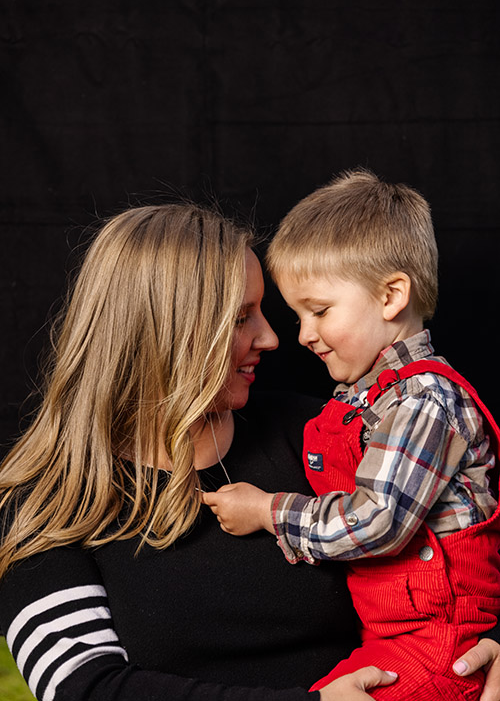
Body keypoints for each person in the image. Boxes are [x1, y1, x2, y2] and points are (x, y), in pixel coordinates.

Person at [0, 201, 405, 701]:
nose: (272, 337)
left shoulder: (323, 433)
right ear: (162, 332)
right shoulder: (49, 502)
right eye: (241, 318)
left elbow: (461, 538)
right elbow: (85, 689)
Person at [202, 170, 500, 701]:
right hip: (389, 638)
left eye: (318, 311)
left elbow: (378, 520)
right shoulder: (360, 403)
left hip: (439, 645)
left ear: (391, 296)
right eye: (297, 315)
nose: (302, 335)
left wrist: (269, 511)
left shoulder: (423, 401)